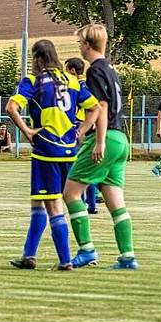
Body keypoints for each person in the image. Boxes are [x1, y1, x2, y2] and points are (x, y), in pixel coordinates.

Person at [6, 40, 99, 271]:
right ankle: (29, 255)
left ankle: (66, 260)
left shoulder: (33, 81)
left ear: (38, 58)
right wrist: (82, 130)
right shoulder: (73, 80)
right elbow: (95, 107)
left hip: (47, 149)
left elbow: (11, 107)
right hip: (70, 150)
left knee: (53, 205)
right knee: (39, 200)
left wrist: (27, 130)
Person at [64, 24, 138, 270]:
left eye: (80, 44)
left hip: (106, 138)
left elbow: (101, 107)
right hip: (121, 139)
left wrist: (94, 137)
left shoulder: (95, 71)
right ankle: (127, 257)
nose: (80, 49)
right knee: (116, 202)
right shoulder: (110, 69)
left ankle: (86, 250)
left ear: (86, 45)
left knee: (71, 194)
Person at [65, 57, 100, 214]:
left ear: (72, 70)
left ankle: (84, 203)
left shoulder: (78, 87)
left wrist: (82, 130)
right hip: (91, 128)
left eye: (67, 70)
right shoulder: (90, 84)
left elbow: (89, 107)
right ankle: (91, 205)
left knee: (78, 168)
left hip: (80, 127)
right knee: (87, 167)